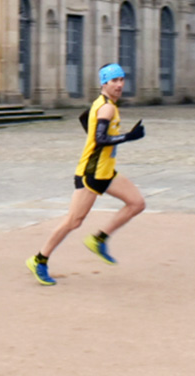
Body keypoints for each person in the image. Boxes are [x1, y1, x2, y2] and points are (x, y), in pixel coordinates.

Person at [26, 63, 146, 286]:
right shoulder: (106, 108)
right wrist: (129, 136)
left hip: (106, 171)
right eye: (114, 81)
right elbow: (100, 139)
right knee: (73, 221)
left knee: (137, 203)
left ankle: (99, 239)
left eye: (122, 80)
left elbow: (85, 118)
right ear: (104, 83)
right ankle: (39, 259)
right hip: (91, 174)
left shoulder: (103, 104)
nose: (120, 85)